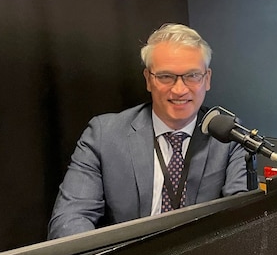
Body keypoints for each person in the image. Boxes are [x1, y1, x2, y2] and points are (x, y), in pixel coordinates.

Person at [48, 23, 250, 239]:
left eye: (192, 75)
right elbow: (68, 221)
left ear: (207, 79)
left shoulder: (228, 134)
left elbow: (243, 217)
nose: (180, 90)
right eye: (165, 76)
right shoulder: (104, 135)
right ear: (148, 79)